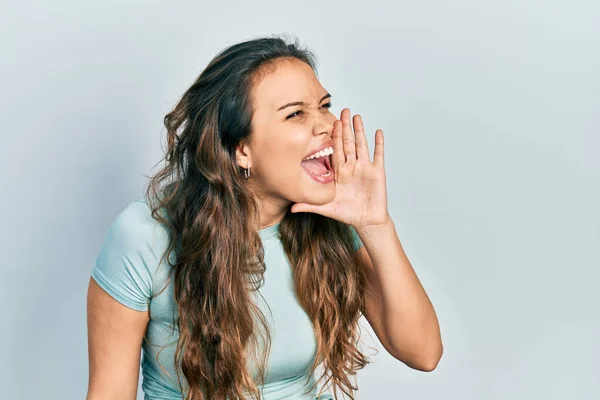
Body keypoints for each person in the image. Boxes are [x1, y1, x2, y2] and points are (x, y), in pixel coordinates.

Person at [86, 34, 442, 400]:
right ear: (242, 151)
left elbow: (423, 353)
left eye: (324, 105)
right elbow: (109, 393)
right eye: (296, 114)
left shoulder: (333, 219)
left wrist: (375, 227)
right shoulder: (145, 235)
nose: (325, 125)